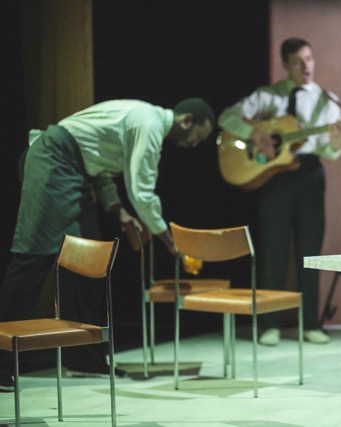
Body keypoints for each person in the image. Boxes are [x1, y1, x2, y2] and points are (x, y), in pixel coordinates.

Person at [0, 98, 214, 392]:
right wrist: (169, 240)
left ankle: (83, 358)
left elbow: (98, 164)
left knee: (87, 265)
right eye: (198, 136)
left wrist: (119, 212)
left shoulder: (142, 120)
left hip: (75, 171)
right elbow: (141, 192)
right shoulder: (149, 124)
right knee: (33, 260)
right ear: (187, 120)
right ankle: (1, 362)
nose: (194, 144)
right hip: (53, 159)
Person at [218, 38, 341, 346]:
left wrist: (336, 142)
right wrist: (254, 133)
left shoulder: (328, 100)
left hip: (310, 173)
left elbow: (332, 152)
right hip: (274, 176)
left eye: (309, 59)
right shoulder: (268, 96)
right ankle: (269, 324)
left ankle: (310, 324)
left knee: (310, 252)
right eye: (298, 61)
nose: (306, 66)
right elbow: (226, 118)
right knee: (273, 251)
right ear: (286, 64)